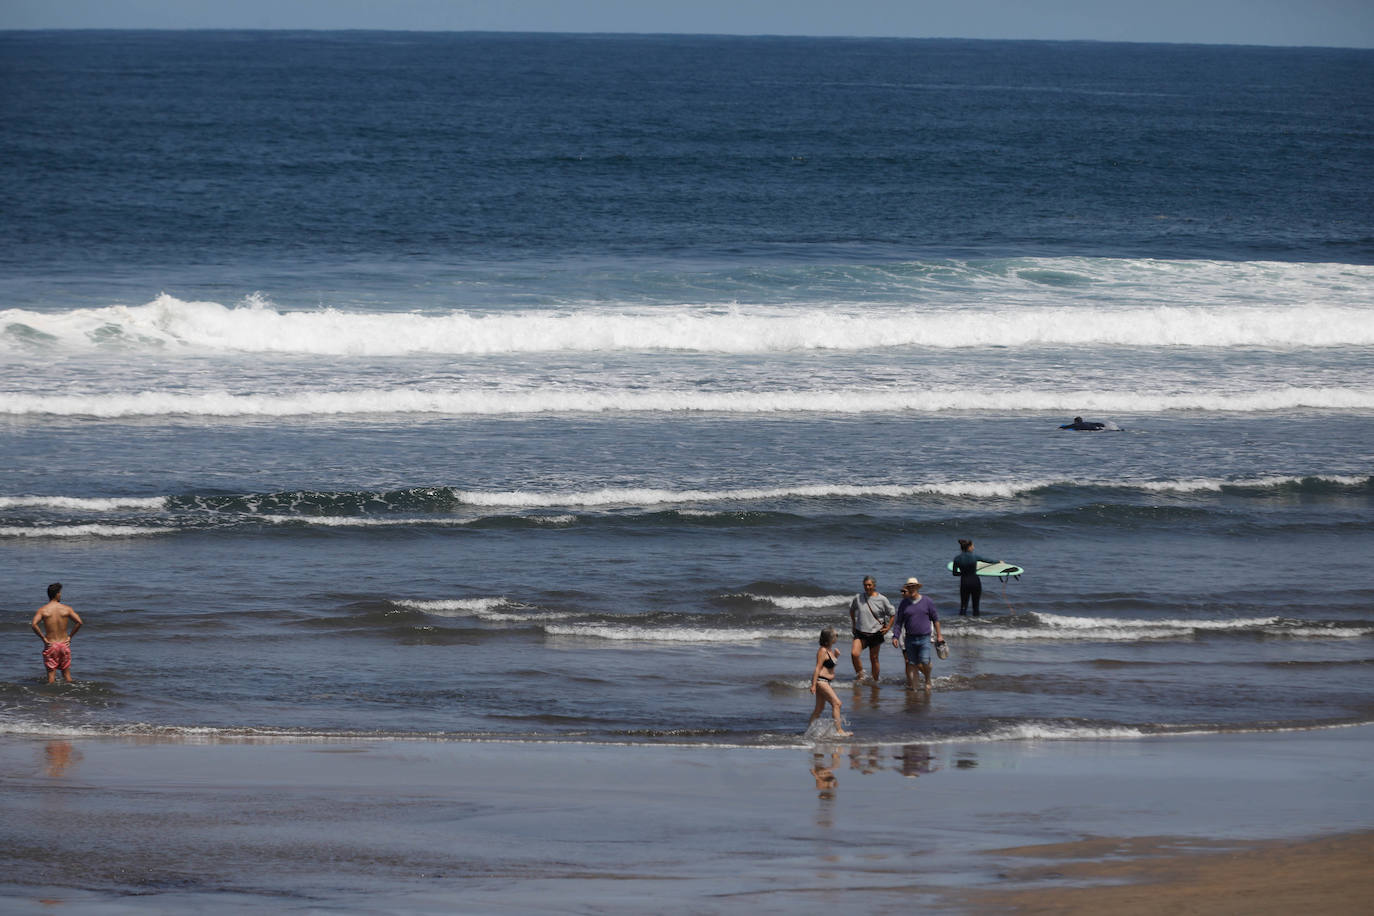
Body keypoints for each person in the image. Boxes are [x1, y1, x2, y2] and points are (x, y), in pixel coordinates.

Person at [890, 577, 943, 691]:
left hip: (925, 637)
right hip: (909, 638)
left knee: (924, 660)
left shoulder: (927, 601)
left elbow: (936, 619)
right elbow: (899, 622)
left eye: (913, 586)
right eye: (909, 587)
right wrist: (895, 636)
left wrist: (939, 635)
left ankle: (927, 680)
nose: (911, 588)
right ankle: (914, 688)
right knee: (912, 663)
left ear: (917, 587)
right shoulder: (904, 603)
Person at [31, 582, 83, 684]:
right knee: (67, 675)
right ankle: (71, 692)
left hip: (51, 645)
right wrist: (70, 637)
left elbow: (34, 624)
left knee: (51, 676)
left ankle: (51, 693)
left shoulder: (43, 610)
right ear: (57, 594)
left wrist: (43, 638)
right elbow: (79, 622)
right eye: (60, 593)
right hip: (64, 645)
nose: (61, 595)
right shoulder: (66, 609)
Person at [848, 575, 894, 681]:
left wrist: (888, 628)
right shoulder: (858, 598)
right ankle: (861, 676)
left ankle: (875, 681)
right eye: (865, 585)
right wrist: (854, 624)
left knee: (874, 658)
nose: (867, 587)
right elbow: (852, 610)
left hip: (876, 633)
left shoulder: (882, 599)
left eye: (869, 585)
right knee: (854, 654)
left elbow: (892, 614)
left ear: (874, 585)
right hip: (860, 632)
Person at [809, 627, 851, 736]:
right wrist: (813, 685)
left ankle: (809, 731)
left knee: (819, 709)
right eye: (835, 635)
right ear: (829, 638)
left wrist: (836, 656)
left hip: (826, 681)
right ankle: (839, 731)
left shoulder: (830, 651)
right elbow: (818, 668)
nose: (837, 637)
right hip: (821, 681)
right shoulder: (822, 650)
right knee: (837, 703)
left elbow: (829, 667)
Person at [952, 539, 998, 617]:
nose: (974, 547)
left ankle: (961, 622)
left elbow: (955, 573)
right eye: (973, 546)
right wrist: (998, 561)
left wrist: (963, 573)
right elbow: (988, 560)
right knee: (976, 606)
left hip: (964, 583)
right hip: (975, 582)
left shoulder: (957, 558)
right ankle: (976, 622)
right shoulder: (975, 556)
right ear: (969, 547)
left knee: (963, 605)